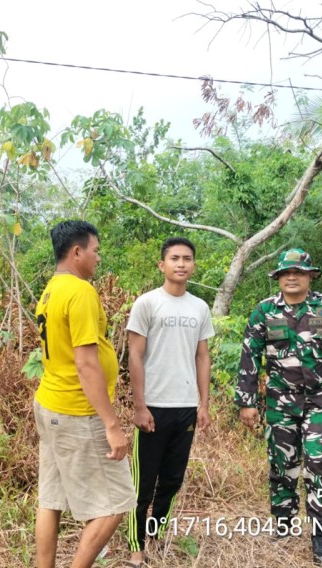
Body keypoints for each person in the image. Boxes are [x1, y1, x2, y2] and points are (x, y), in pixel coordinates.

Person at [235, 248, 322, 567]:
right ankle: (284, 523)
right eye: (285, 273)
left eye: (298, 272)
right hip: (279, 403)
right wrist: (247, 402)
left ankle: (321, 536)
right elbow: (249, 357)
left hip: (320, 401)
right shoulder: (263, 311)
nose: (291, 277)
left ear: (309, 276)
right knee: (282, 465)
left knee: (318, 463)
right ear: (277, 278)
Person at [33, 220, 136, 568]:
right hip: (77, 412)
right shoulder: (80, 292)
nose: (98, 258)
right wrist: (111, 423)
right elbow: (86, 363)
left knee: (51, 499)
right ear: (77, 252)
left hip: (50, 404)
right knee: (117, 503)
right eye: (95, 251)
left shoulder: (51, 289)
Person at [125, 237, 215, 567]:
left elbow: (202, 356)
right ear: (161, 264)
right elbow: (135, 356)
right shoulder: (147, 303)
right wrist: (139, 406)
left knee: (173, 479)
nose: (181, 264)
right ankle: (136, 545)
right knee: (142, 482)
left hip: (185, 407)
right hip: (153, 406)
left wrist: (203, 404)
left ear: (193, 265)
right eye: (174, 258)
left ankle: (156, 534)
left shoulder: (200, 307)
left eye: (187, 258)